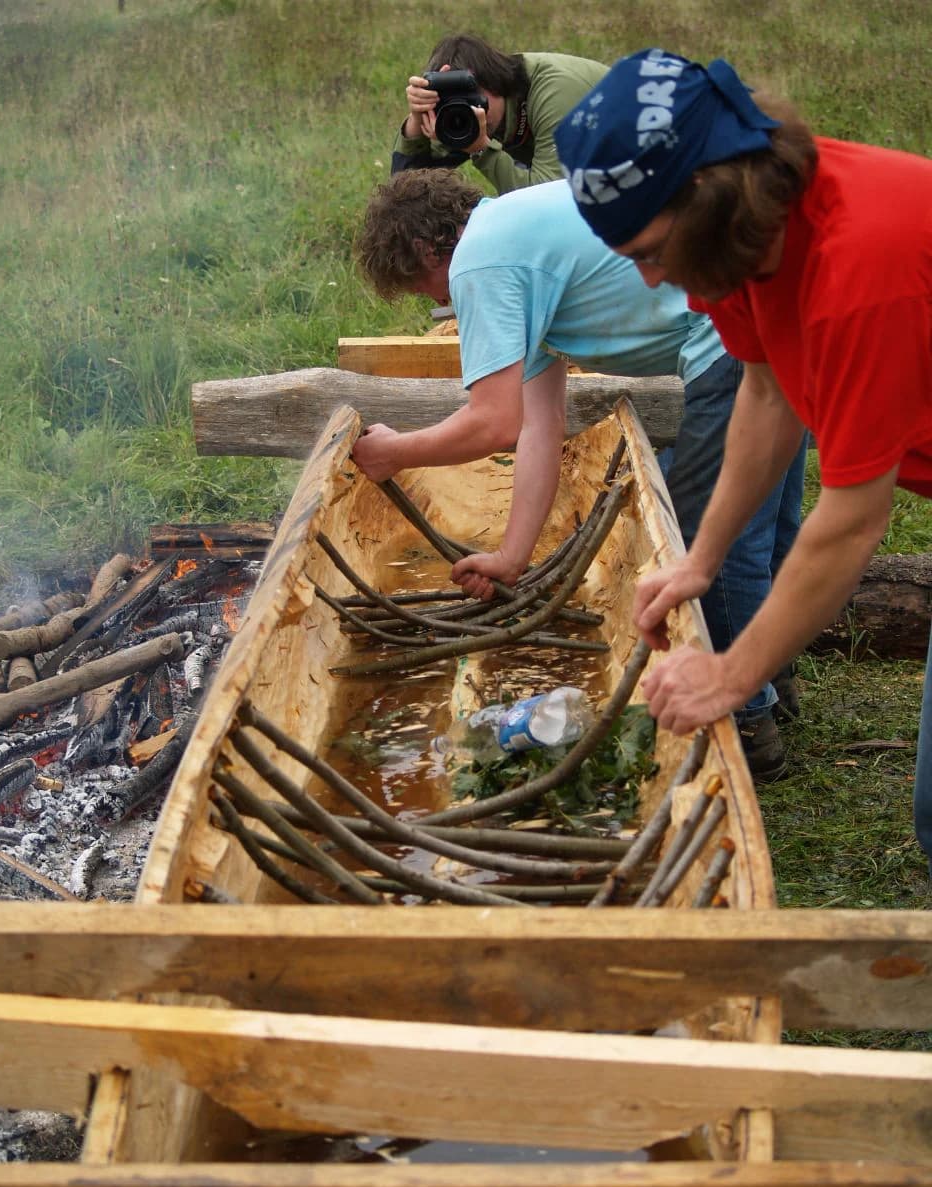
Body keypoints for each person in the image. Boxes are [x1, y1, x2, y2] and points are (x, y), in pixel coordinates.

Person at [555, 48, 932, 868]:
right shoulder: (741, 245)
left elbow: (850, 521)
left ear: (711, 195)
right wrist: (702, 560)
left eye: (652, 251)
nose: (657, 278)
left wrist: (730, 677)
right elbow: (767, 395)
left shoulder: (860, 266)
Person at [351, 168, 808, 780]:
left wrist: (397, 451)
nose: (438, 303)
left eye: (421, 287)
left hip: (734, 335)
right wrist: (513, 556)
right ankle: (774, 676)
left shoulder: (478, 261)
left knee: (708, 540)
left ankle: (750, 725)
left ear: (427, 250)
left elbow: (491, 422)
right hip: (781, 308)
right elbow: (539, 425)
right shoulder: (516, 235)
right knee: (765, 523)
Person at [391, 33, 609, 193]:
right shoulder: (460, 114)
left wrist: (481, 149)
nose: (467, 110)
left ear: (494, 80)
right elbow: (405, 193)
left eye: (471, 95)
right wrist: (416, 120)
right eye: (450, 100)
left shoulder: (556, 92)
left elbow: (550, 198)